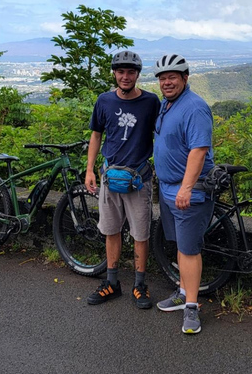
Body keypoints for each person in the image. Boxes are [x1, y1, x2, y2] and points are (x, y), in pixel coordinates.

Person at [85, 50, 160, 309]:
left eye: (130, 72)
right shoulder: (104, 101)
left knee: (141, 233)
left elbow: (161, 134)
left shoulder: (151, 102)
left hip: (139, 178)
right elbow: (96, 135)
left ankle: (139, 284)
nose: (125, 76)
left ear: (138, 74)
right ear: (114, 74)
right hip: (110, 176)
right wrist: (90, 169)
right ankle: (112, 282)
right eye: (121, 71)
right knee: (111, 230)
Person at [152, 53, 215, 334]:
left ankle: (191, 308)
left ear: (185, 78)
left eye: (172, 77)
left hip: (187, 191)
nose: (167, 82)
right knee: (179, 244)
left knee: (189, 249)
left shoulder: (195, 107)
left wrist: (186, 188)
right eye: (163, 78)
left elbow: (199, 150)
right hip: (168, 189)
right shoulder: (167, 105)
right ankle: (181, 292)